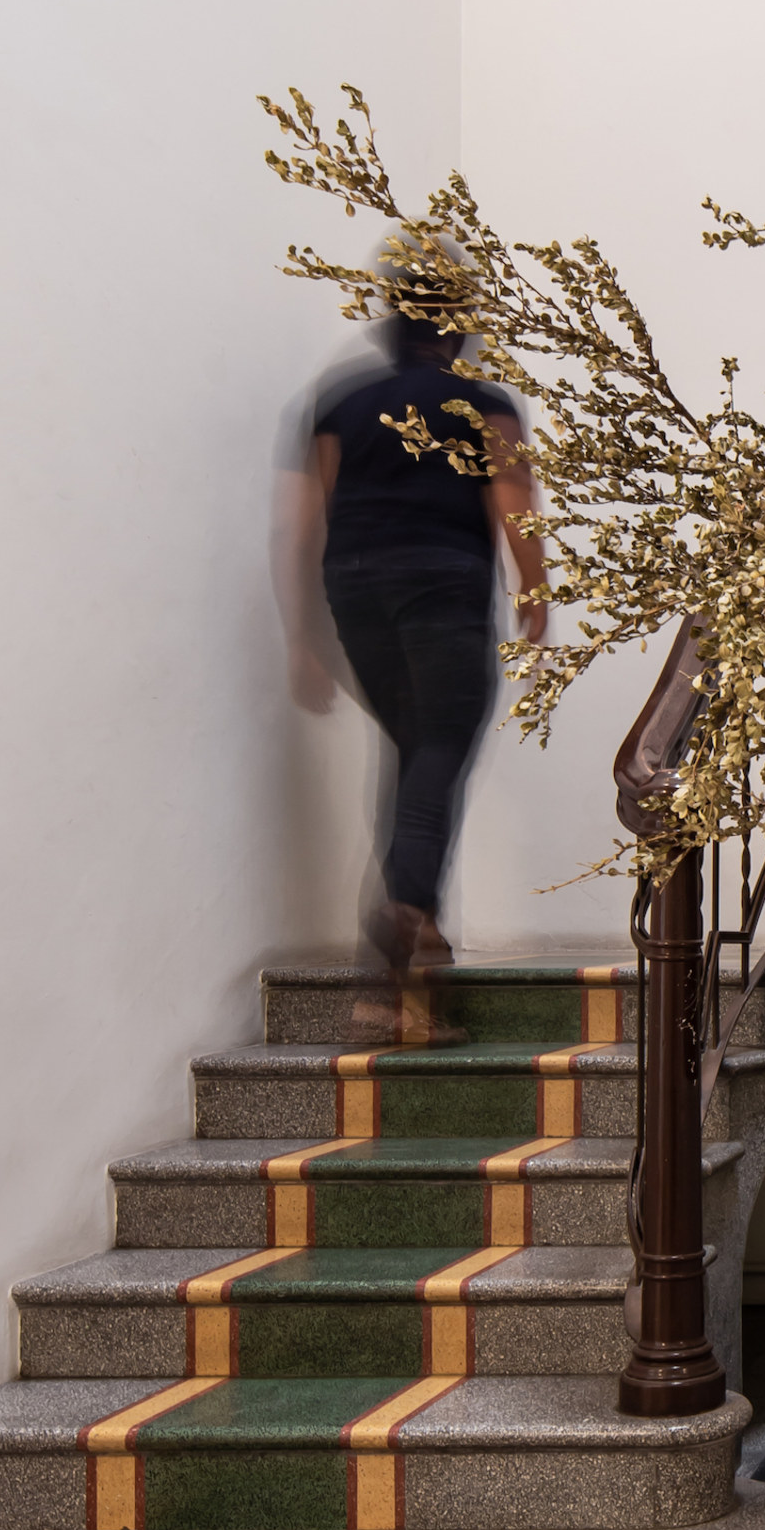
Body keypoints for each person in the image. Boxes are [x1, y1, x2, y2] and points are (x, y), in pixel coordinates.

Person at [277, 231, 548, 1026]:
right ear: (458, 318)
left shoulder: (337, 401)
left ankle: (395, 986)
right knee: (438, 752)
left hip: (355, 596)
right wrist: (534, 587)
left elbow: (301, 526)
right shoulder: (483, 401)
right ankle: (407, 913)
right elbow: (512, 495)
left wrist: (304, 638)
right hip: (444, 589)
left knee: (410, 754)